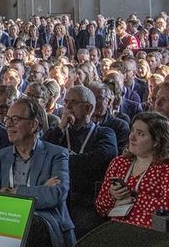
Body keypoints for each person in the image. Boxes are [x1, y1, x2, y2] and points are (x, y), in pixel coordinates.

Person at [0, 98, 76, 247]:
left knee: (30, 224)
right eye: (7, 120)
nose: (9, 125)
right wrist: (39, 190)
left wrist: (13, 192)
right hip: (4, 221)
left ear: (33, 125)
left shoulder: (56, 154)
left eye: (16, 119)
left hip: (46, 226)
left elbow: (55, 195)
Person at [43, 85, 118, 237]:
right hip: (57, 197)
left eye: (74, 102)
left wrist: (61, 161)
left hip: (86, 200)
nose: (68, 107)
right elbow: (43, 154)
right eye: (65, 102)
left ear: (89, 108)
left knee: (81, 228)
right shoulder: (59, 132)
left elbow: (101, 158)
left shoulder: (104, 133)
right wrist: (61, 127)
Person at [95, 111, 169, 229]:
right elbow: (101, 208)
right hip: (118, 230)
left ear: (156, 141)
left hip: (152, 235)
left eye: (140, 134)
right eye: (132, 130)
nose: (132, 137)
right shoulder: (119, 163)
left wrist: (134, 198)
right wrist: (112, 195)